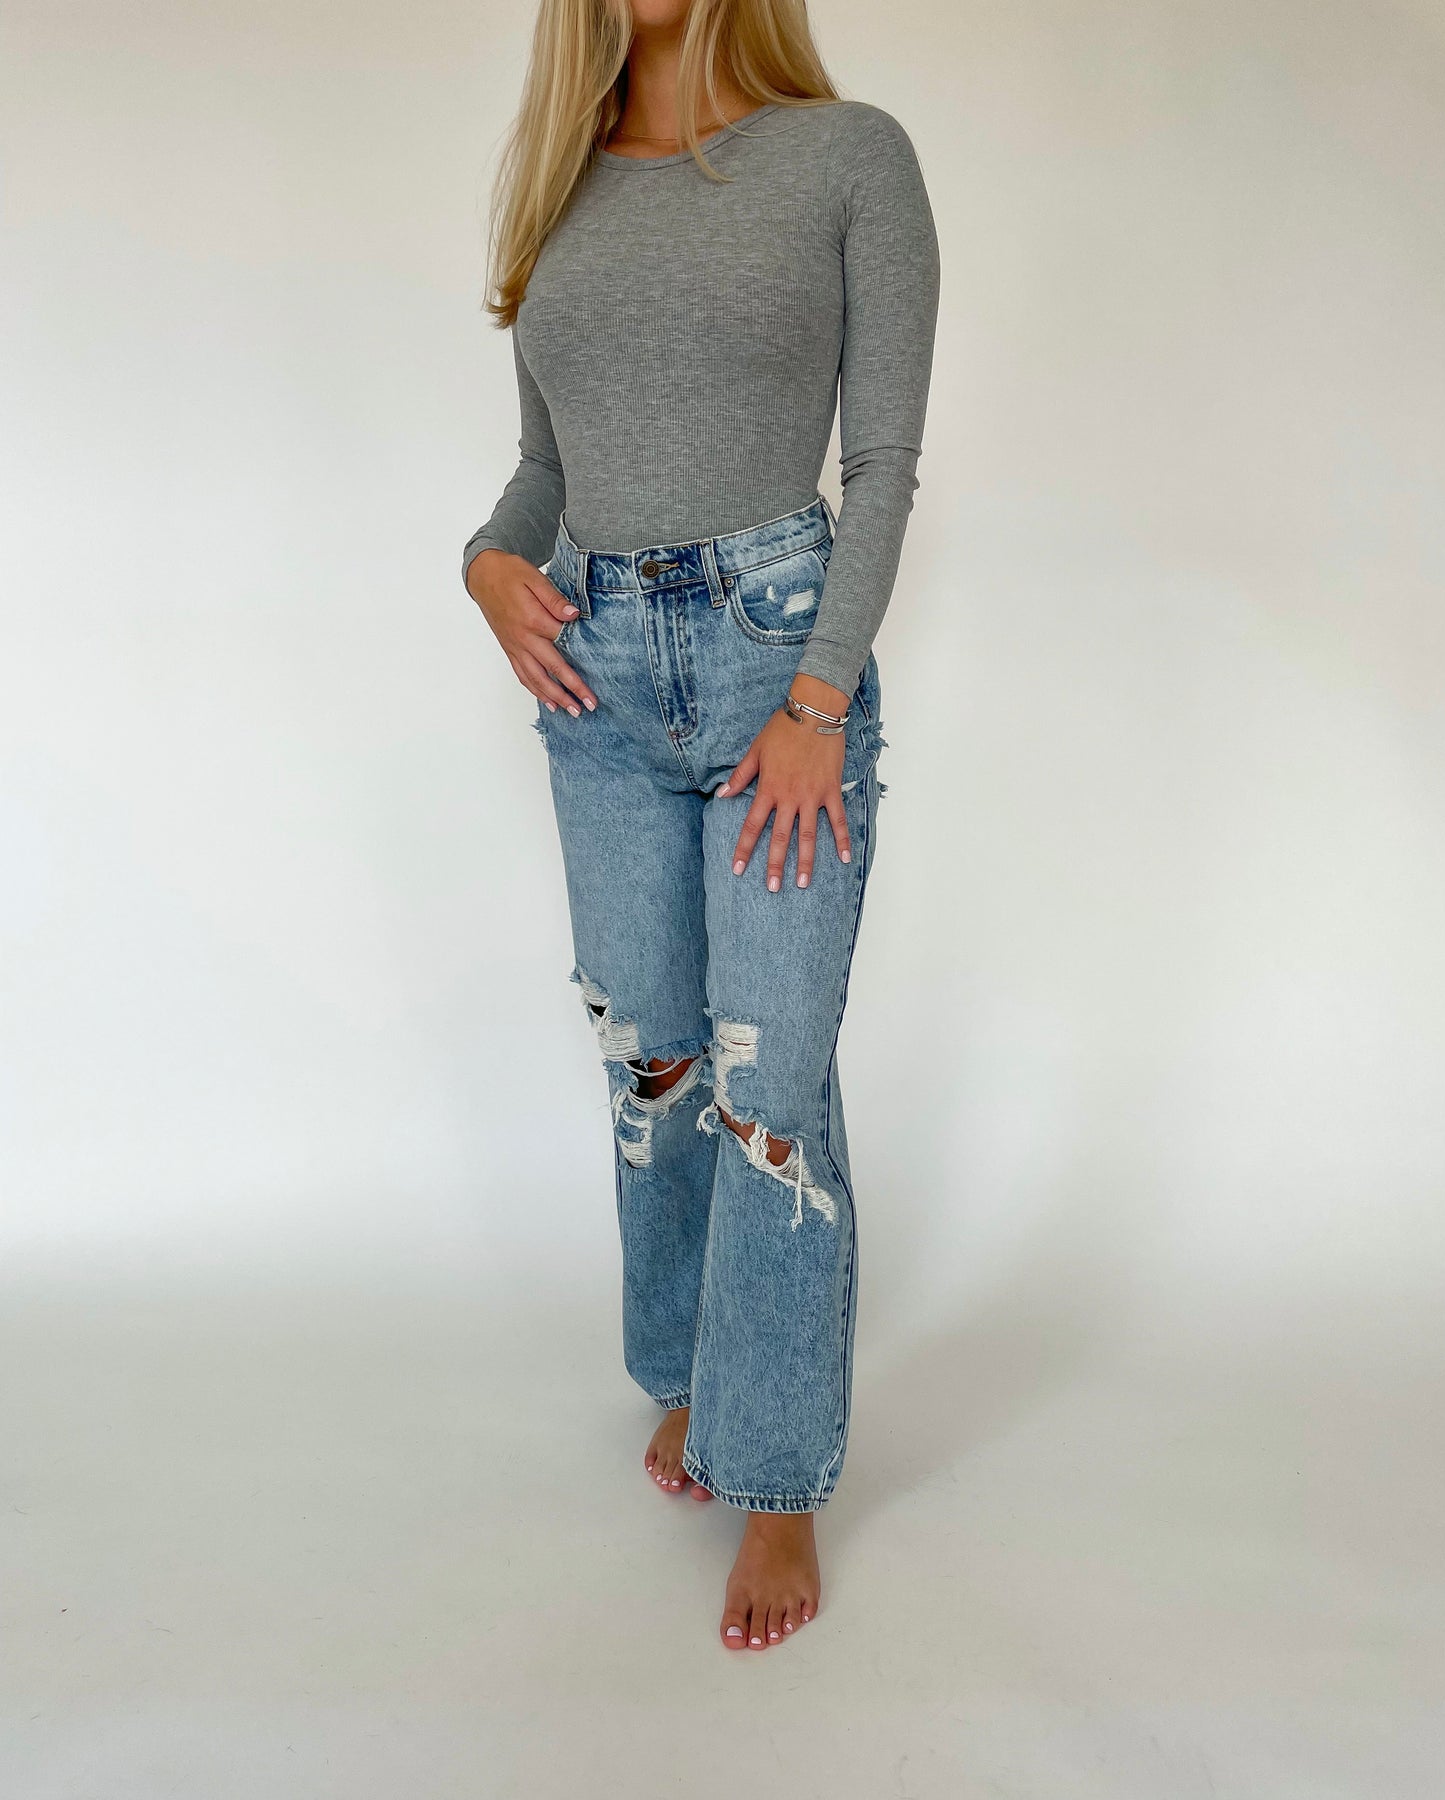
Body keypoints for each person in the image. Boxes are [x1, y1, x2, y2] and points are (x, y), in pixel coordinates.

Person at [461, 0, 939, 1651]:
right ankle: (688, 1373)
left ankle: (776, 1470)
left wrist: (816, 699)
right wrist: (485, 563)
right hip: (592, 678)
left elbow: (883, 461)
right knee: (651, 1062)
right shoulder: (558, 177)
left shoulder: (847, 156)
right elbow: (547, 467)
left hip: (771, 657)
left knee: (767, 1083)